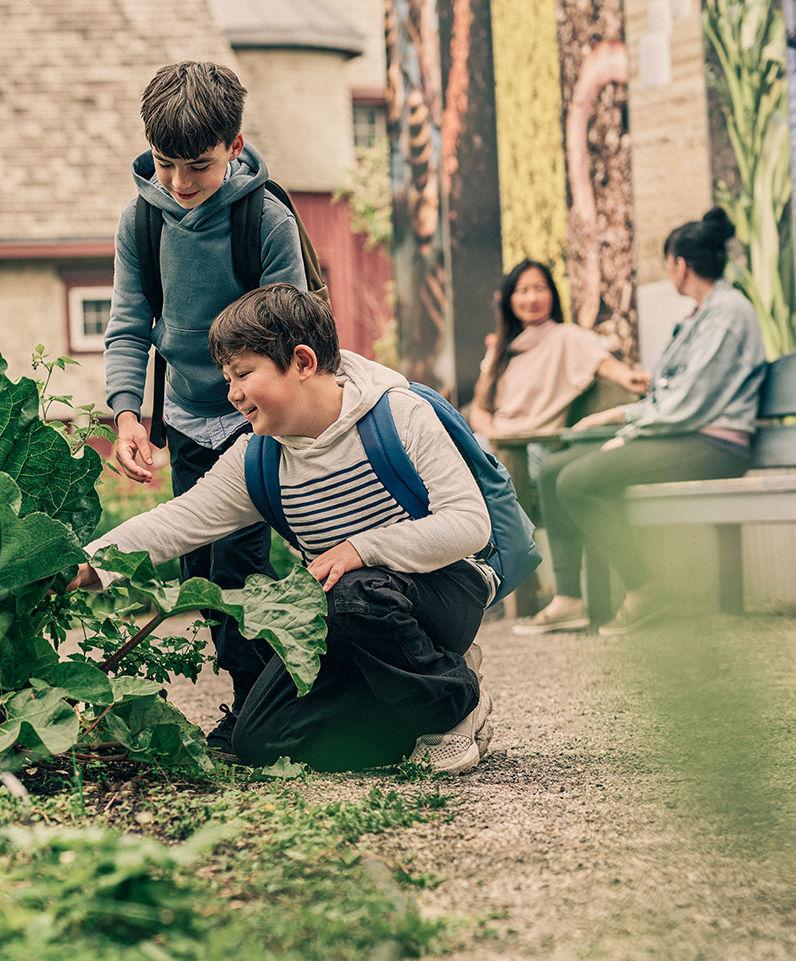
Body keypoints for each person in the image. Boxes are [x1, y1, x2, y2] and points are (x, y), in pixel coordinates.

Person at [74, 284, 495, 774]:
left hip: (442, 594)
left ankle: (454, 704)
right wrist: (89, 564)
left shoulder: (398, 415)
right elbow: (178, 521)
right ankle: (425, 686)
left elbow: (470, 525)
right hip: (343, 612)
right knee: (263, 739)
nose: (231, 393)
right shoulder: (259, 459)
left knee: (353, 596)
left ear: (302, 361)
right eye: (227, 377)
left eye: (243, 374)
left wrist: (361, 548)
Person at [103, 61, 307, 750]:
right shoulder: (141, 221)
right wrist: (128, 415)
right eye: (166, 165)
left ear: (235, 146)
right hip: (189, 418)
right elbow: (130, 325)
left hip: (257, 423)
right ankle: (262, 699)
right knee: (200, 575)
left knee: (236, 567)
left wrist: (271, 416)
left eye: (199, 165)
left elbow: (296, 338)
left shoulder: (265, 220)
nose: (182, 184)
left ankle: (257, 713)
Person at [517, 209, 767, 637]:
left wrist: (627, 432)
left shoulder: (726, 313)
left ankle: (645, 589)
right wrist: (618, 415)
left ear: (680, 265)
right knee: (558, 467)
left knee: (578, 481)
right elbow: (670, 395)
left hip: (712, 445)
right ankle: (570, 599)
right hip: (682, 436)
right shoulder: (701, 315)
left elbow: (689, 403)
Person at [467, 259, 649, 438]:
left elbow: (601, 362)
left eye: (540, 288)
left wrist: (628, 376)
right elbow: (479, 408)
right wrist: (494, 440)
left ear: (552, 295)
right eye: (523, 290)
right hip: (497, 446)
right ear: (509, 300)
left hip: (534, 445)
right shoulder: (500, 350)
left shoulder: (564, 336)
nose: (532, 298)